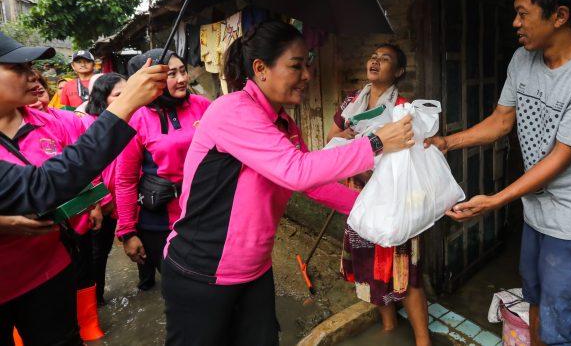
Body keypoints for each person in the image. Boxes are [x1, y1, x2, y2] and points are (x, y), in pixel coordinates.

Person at [161, 21, 414, 346]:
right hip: (201, 270)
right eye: (296, 66)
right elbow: (296, 171)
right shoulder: (232, 110)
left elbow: (313, 184)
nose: (307, 75)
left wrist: (381, 206)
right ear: (260, 69)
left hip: (254, 271)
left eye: (307, 64)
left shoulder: (283, 123)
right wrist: (375, 143)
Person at [426, 0, 571, 346]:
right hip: (536, 214)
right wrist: (446, 143)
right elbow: (501, 121)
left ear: (559, 15)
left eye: (523, 13)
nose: (515, 23)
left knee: (560, 324)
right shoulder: (523, 59)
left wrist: (495, 200)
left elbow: (559, 158)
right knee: (534, 300)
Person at [0, 31, 168, 346]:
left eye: (30, 66)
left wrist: (95, 203)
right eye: (17, 67)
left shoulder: (54, 121)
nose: (33, 75)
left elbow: (88, 158)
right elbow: (44, 184)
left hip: (50, 267)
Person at [330, 44, 431, 345]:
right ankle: (388, 328)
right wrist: (345, 138)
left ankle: (423, 340)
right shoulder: (352, 104)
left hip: (393, 199)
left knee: (405, 270)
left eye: (385, 59)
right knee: (368, 267)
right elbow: (331, 139)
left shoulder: (402, 108)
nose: (375, 61)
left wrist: (369, 157)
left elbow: (414, 157)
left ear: (398, 72)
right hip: (360, 200)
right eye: (373, 56)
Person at [115, 49, 211, 292]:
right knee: (177, 287)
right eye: (171, 74)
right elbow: (125, 179)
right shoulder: (136, 117)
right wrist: (127, 232)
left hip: (205, 211)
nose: (181, 79)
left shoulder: (203, 106)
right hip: (160, 222)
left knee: (208, 281)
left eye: (183, 71)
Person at [27, 70, 106, 340]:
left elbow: (87, 164)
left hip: (76, 214)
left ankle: (88, 322)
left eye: (40, 91)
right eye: (30, 94)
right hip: (34, 225)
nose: (36, 100)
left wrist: (95, 204)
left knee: (83, 266)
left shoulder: (70, 119)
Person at [80, 73, 128, 306]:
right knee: (96, 253)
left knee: (106, 249)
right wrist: (98, 203)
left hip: (121, 197)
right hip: (100, 203)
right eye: (118, 95)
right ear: (102, 98)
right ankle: (94, 301)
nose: (126, 98)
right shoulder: (87, 124)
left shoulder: (127, 119)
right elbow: (86, 169)